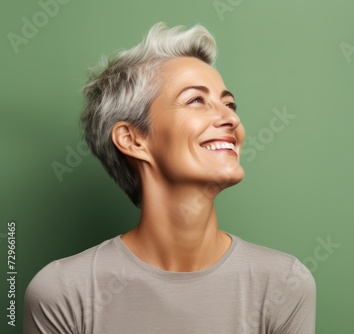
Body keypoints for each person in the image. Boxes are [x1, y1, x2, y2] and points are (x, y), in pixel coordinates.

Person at [23, 22, 316, 333]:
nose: (231, 118)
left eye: (230, 104)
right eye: (196, 101)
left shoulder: (285, 284)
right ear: (133, 139)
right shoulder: (62, 293)